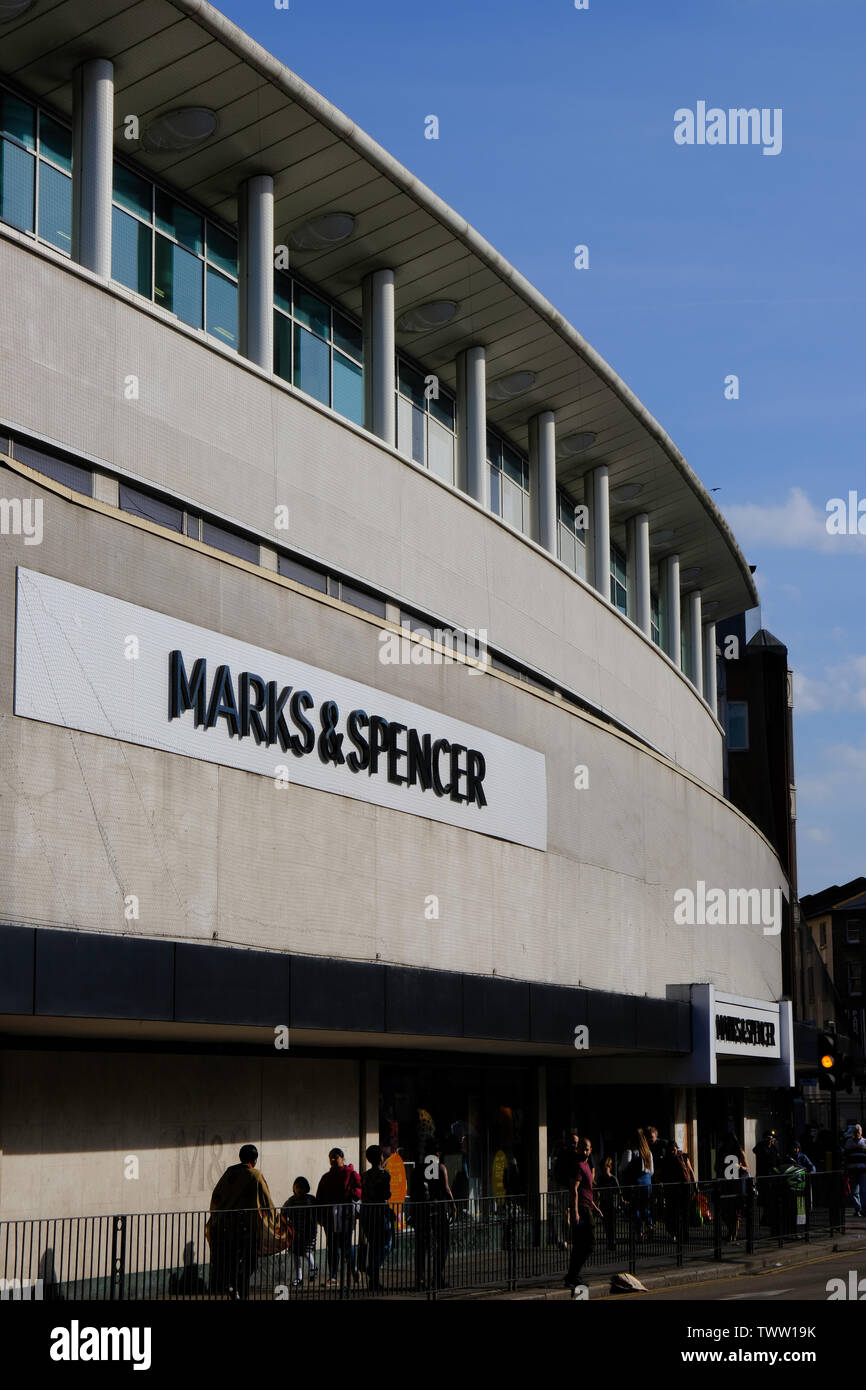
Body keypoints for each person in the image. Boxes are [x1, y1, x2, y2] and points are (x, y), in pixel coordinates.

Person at [208, 1144, 282, 1300]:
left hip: (224, 1226)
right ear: (255, 1160)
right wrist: (277, 1220)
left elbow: (216, 1197)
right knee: (249, 1263)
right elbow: (266, 1201)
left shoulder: (230, 1173)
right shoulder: (255, 1175)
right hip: (246, 1228)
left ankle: (233, 1287)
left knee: (231, 1261)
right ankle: (240, 1291)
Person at [316, 1148, 361, 1285]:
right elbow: (320, 1197)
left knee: (347, 1244)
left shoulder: (352, 1174)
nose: (333, 1160)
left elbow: (359, 1190)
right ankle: (333, 1276)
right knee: (332, 1246)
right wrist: (320, 1216)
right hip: (330, 1216)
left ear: (342, 1158)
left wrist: (350, 1194)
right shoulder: (326, 1177)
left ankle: (353, 1268)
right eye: (331, 1157)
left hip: (346, 1215)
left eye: (335, 1157)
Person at [564, 1136, 602, 1293]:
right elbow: (574, 1190)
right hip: (582, 1210)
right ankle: (573, 1275)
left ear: (591, 1150)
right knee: (590, 1243)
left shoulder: (586, 1165)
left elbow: (586, 1191)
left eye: (587, 1148)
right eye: (582, 1148)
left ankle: (573, 1276)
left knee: (580, 1245)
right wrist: (575, 1212)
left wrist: (595, 1206)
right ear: (578, 1149)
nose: (585, 1150)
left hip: (588, 1207)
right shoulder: (578, 1166)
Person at [359, 1145, 393, 1292]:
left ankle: (374, 1281)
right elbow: (385, 1195)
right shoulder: (385, 1174)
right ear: (380, 1157)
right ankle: (373, 1268)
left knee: (373, 1245)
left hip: (367, 1213)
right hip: (380, 1213)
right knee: (387, 1243)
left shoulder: (364, 1175)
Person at [282, 1177, 318, 1286]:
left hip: (308, 1232)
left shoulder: (310, 1200)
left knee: (306, 1251)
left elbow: (317, 1212)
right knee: (296, 1254)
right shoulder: (292, 1201)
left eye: (302, 1187)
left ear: (306, 1188)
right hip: (295, 1232)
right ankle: (299, 1277)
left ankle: (313, 1268)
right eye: (297, 1187)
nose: (299, 1190)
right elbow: (284, 1210)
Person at [621, 1129, 654, 1239]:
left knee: (636, 1208)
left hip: (635, 1183)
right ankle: (649, 1224)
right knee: (645, 1206)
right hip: (647, 1182)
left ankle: (639, 1232)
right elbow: (652, 1171)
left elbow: (623, 1167)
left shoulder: (631, 1152)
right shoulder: (648, 1153)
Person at [716, 1134, 749, 1242]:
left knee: (734, 1211)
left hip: (736, 1184)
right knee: (725, 1211)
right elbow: (716, 1166)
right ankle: (731, 1232)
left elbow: (747, 1167)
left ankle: (733, 1234)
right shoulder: (721, 1152)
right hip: (725, 1182)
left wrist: (740, 1167)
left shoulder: (739, 1152)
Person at [657, 1138, 692, 1243]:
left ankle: (684, 1235)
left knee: (683, 1213)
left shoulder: (683, 1157)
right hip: (673, 1190)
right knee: (673, 1213)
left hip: (682, 1188)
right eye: (671, 1150)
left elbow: (690, 1170)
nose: (672, 1151)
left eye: (674, 1149)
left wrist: (695, 1185)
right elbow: (661, 1174)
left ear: (677, 1148)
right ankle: (676, 1234)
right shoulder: (666, 1160)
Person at [595, 1154, 622, 1253]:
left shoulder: (613, 1179)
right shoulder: (601, 1179)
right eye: (602, 1169)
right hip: (604, 1203)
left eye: (605, 1168)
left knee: (612, 1224)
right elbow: (598, 1191)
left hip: (612, 1204)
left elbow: (619, 1191)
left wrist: (620, 1200)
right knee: (606, 1224)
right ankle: (609, 1241)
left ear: (609, 1167)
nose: (604, 1171)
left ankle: (613, 1241)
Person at [844, 1123, 866, 1217]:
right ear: (853, 1133)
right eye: (855, 1132)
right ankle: (859, 1209)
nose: (857, 1134)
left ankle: (862, 1210)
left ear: (861, 1133)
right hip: (852, 1170)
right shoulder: (849, 1142)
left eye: (858, 1132)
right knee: (854, 1192)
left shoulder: (865, 1142)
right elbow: (845, 1156)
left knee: (863, 1191)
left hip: (863, 1170)